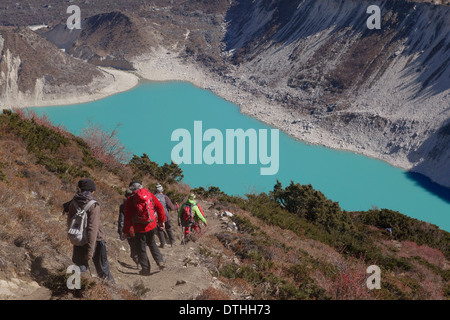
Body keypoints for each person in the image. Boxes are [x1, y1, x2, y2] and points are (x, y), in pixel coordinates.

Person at [67, 178, 115, 283]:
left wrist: (72, 237)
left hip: (78, 238)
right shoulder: (93, 205)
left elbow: (69, 222)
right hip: (95, 240)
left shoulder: (73, 203)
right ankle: (114, 292)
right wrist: (90, 251)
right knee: (103, 270)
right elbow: (92, 229)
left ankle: (75, 290)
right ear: (92, 190)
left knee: (80, 266)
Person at [122, 181, 166, 276]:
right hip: (152, 224)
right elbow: (160, 208)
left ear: (132, 189)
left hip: (139, 228)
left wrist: (125, 231)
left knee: (141, 248)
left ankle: (146, 270)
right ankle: (160, 261)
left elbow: (127, 218)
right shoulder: (149, 195)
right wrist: (161, 222)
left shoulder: (130, 200)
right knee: (152, 243)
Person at [118, 188, 140, 268]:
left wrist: (121, 231)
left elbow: (121, 219)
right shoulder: (138, 203)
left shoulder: (123, 206)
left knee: (133, 246)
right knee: (140, 245)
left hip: (129, 229)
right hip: (140, 228)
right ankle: (142, 262)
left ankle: (137, 260)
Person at [154, 183, 177, 248]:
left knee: (160, 229)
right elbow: (171, 207)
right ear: (162, 190)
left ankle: (163, 243)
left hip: (157, 216)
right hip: (166, 216)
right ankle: (172, 242)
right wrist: (177, 206)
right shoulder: (165, 197)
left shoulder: (153, 197)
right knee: (168, 228)